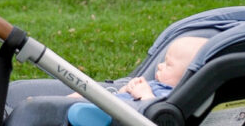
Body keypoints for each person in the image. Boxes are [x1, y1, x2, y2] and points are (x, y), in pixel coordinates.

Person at [68, 35, 207, 102]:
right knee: (80, 94)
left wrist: (144, 94)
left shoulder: (173, 96)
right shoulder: (158, 85)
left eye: (168, 64)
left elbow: (157, 114)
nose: (159, 65)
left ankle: (56, 109)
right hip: (114, 103)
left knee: (78, 100)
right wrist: (129, 88)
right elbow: (124, 94)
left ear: (188, 76)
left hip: (116, 118)